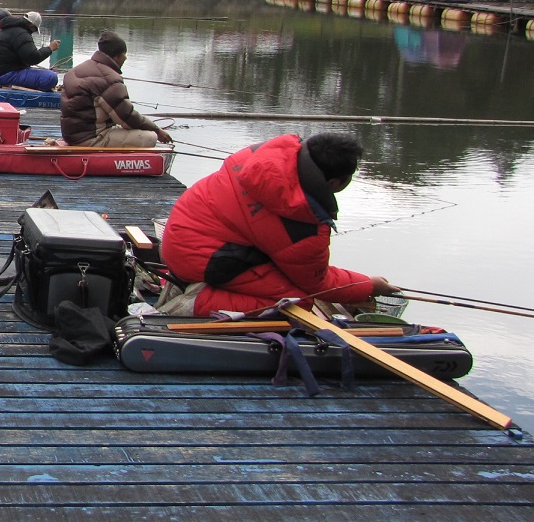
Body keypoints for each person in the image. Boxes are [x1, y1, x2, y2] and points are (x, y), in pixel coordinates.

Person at [160, 133, 396, 315]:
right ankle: (196, 303)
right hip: (199, 258)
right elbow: (317, 283)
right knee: (296, 302)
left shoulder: (263, 156)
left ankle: (186, 281)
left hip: (180, 232)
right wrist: (369, 285)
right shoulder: (302, 224)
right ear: (334, 183)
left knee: (286, 275)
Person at [59, 30, 171, 147]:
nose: (125, 58)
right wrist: (157, 130)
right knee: (149, 137)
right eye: (124, 54)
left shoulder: (74, 71)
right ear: (117, 56)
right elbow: (127, 117)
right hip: (90, 138)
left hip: (71, 136)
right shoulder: (109, 78)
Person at [0, 11, 60, 90]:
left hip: (2, 73)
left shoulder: (10, 29)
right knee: (51, 77)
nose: (32, 33)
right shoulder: (21, 34)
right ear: (32, 26)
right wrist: (50, 48)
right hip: (7, 75)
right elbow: (33, 58)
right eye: (35, 30)